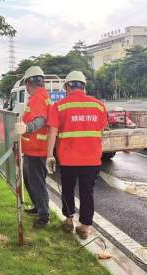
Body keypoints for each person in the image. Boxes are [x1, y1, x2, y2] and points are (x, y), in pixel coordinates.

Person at [46, 71, 107, 239]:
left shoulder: (59, 106)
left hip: (68, 159)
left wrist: (49, 155)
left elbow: (52, 132)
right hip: (92, 159)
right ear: (84, 87)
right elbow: (100, 130)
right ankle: (85, 227)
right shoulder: (99, 106)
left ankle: (68, 220)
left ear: (67, 86)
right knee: (87, 192)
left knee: (67, 189)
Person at [14, 66, 51, 229]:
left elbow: (41, 120)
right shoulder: (39, 96)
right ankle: (38, 207)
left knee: (37, 183)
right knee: (30, 181)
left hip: (37, 149)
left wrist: (26, 128)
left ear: (30, 82)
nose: (27, 88)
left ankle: (44, 216)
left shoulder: (38, 97)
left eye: (26, 84)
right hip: (32, 148)